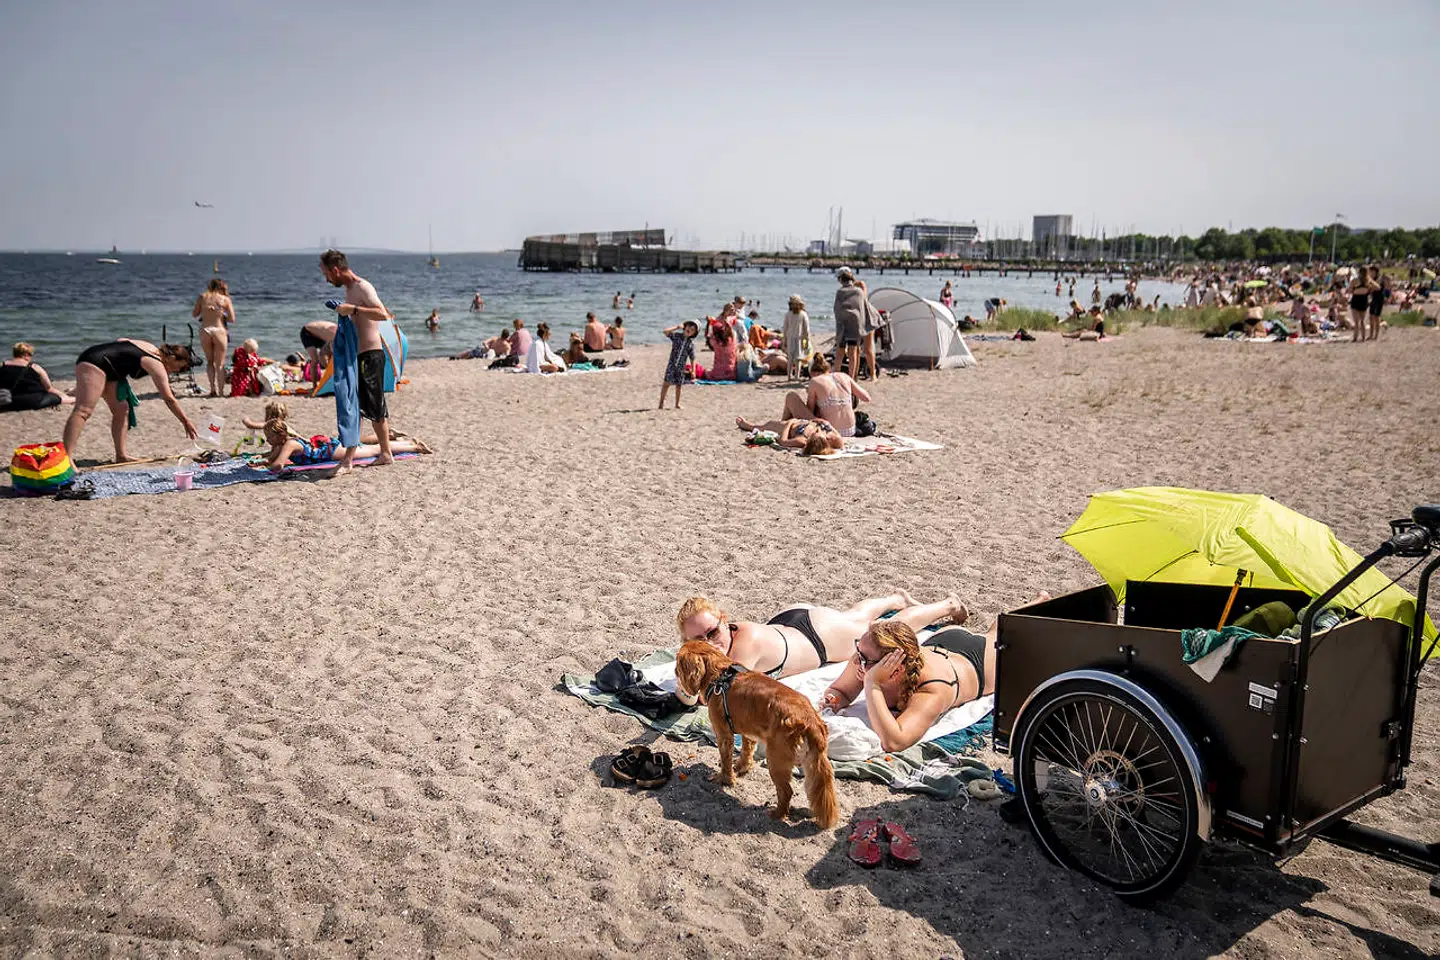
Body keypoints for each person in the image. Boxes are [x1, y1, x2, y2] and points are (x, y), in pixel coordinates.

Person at [674, 591, 964, 683]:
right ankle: (894, 598)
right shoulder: (725, 639)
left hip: (817, 637)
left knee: (883, 634)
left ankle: (947, 605)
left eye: (713, 632)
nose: (710, 643)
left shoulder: (743, 648)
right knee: (853, 617)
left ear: (724, 620)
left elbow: (710, 694)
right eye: (698, 640)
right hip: (792, 620)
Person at [820, 608, 997, 753]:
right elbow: (840, 692)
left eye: (864, 659)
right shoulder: (866, 657)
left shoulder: (933, 689)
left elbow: (895, 742)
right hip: (943, 639)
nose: (857, 661)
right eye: (858, 651)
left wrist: (872, 685)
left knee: (1001, 632)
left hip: (976, 662)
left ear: (895, 669)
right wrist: (832, 701)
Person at [61, 339, 200, 462]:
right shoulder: (156, 363)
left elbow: (122, 340)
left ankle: (121, 456)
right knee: (84, 411)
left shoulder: (150, 347)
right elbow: (169, 398)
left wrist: (120, 365)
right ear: (172, 357)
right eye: (180, 367)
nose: (178, 371)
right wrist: (185, 421)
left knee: (122, 409)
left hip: (110, 369)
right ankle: (67, 458)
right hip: (95, 362)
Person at [319, 249, 395, 471]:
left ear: (335, 270)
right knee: (357, 404)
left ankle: (377, 455)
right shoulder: (349, 290)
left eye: (326, 273)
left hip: (371, 354)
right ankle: (360, 457)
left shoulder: (362, 287)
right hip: (358, 355)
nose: (326, 279)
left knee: (372, 406)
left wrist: (352, 309)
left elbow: (383, 314)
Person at [259, 415, 429, 470]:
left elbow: (279, 465)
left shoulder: (289, 444)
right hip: (328, 448)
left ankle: (414, 446)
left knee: (373, 450)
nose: (267, 440)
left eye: (269, 437)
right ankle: (408, 442)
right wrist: (263, 460)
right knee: (369, 447)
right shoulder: (281, 444)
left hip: (331, 452)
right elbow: (272, 458)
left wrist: (267, 467)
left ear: (279, 435)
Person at [779, 353, 870, 437]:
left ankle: (781, 427)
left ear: (812, 372)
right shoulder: (843, 376)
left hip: (830, 431)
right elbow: (866, 398)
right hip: (850, 430)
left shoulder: (815, 381)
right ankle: (782, 426)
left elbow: (810, 411)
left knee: (791, 397)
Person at [193, 278, 235, 397]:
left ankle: (212, 390)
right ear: (222, 287)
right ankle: (221, 392)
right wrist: (221, 314)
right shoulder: (225, 299)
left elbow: (195, 314)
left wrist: (205, 312)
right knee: (220, 364)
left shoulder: (202, 296)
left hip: (205, 330)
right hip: (219, 330)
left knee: (210, 362)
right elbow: (232, 319)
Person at [0, 342, 71, 411]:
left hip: (8, 401)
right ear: (25, 355)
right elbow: (49, 388)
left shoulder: (2, 365)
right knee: (55, 398)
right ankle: (73, 399)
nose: (31, 357)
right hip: (33, 401)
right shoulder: (35, 367)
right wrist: (63, 395)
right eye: (31, 354)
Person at [734, 414, 844, 455]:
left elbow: (783, 441)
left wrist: (789, 423)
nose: (820, 431)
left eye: (816, 432)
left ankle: (747, 425)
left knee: (768, 425)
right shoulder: (833, 439)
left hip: (790, 425)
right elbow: (840, 441)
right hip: (803, 420)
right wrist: (826, 424)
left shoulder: (802, 439)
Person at [833, 267, 866, 378]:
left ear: (841, 279)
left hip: (843, 324)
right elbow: (862, 308)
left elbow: (836, 309)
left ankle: (836, 375)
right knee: (853, 351)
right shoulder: (859, 291)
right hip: (855, 324)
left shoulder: (840, 292)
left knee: (840, 352)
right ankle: (852, 377)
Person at [658, 321, 699, 410]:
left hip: (681, 367)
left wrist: (693, 370)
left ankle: (677, 404)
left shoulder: (690, 344)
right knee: (666, 384)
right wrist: (677, 327)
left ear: (694, 334)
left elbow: (692, 358)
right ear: (685, 327)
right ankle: (661, 403)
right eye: (688, 327)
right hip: (671, 364)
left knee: (679, 385)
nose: (689, 330)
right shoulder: (677, 336)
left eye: (692, 330)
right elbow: (665, 332)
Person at [299, 320, 337, 389]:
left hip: (320, 335)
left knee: (329, 357)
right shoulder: (334, 336)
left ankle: (329, 380)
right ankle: (314, 385)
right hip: (307, 333)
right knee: (315, 359)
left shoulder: (338, 334)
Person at [781, 295, 810, 381]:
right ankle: (796, 376)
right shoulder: (803, 314)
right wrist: (807, 340)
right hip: (799, 339)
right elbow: (806, 329)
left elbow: (785, 328)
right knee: (798, 358)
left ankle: (789, 376)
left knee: (790, 358)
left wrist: (784, 340)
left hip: (791, 338)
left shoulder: (788, 314)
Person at [1349, 268, 1373, 342]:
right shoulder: (1369, 281)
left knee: (1356, 322)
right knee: (1362, 321)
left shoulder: (1354, 281)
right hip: (1364, 299)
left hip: (1356, 299)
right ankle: (1363, 338)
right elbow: (1370, 290)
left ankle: (1355, 338)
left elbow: (1350, 290)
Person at [1368, 267, 1388, 341]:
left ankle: (1376, 336)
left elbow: (1376, 288)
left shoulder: (1379, 279)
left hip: (1379, 299)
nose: (1370, 273)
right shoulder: (1371, 280)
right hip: (1373, 299)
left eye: (1372, 272)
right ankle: (1370, 335)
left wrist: (1371, 285)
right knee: (1370, 317)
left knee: (1376, 317)